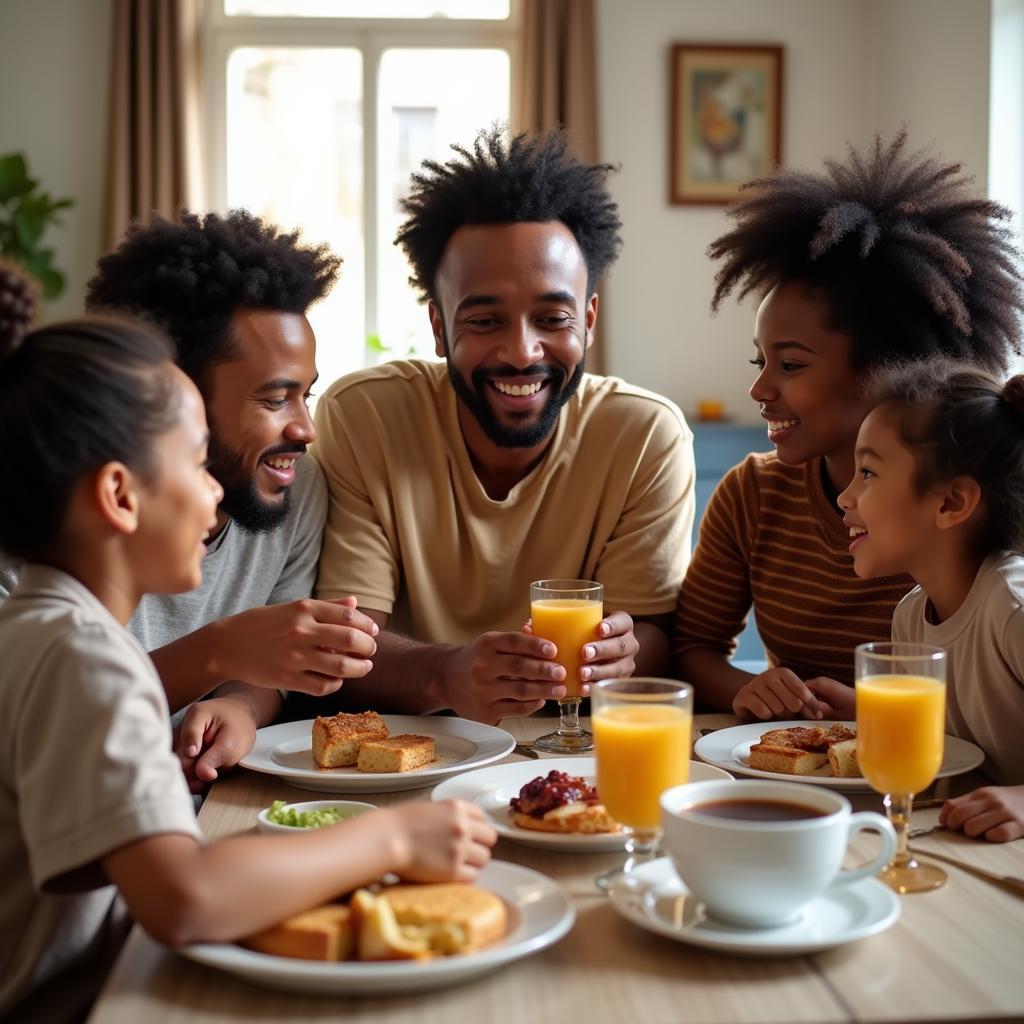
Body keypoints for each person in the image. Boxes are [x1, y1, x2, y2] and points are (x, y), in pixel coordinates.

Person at [0, 304, 496, 1024]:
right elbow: (186, 898)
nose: (213, 492)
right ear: (117, 495)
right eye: (196, 463)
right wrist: (391, 837)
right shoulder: (87, 661)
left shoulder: (36, 627)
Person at [294, 127, 694, 726]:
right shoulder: (365, 416)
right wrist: (444, 673)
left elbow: (654, 631)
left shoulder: (644, 437)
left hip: (576, 747)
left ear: (587, 320)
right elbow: (348, 641)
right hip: (414, 749)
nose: (520, 352)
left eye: (552, 317)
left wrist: (621, 656)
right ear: (437, 326)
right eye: (485, 320)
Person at [1, 211, 381, 790]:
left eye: (308, 394)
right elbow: (26, 724)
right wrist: (214, 652)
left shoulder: (294, 492)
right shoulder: (39, 532)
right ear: (173, 396)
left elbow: (266, 673)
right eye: (276, 399)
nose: (306, 429)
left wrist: (242, 706)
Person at [674, 130, 1024, 722]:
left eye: (790, 365)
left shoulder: (966, 522)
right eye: (760, 363)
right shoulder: (753, 494)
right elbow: (691, 649)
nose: (761, 390)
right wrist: (749, 688)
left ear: (887, 370)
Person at [838, 361, 1024, 843]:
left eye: (867, 472)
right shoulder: (911, 617)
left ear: (950, 504)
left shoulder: (1013, 607)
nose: (845, 496)